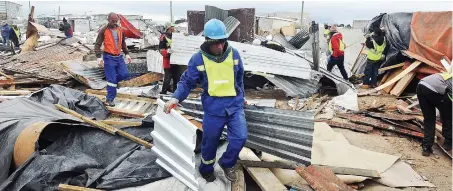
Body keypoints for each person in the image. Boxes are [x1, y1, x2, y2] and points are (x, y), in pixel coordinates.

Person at [163, 19, 247, 182]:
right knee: (209, 143)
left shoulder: (234, 54)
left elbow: (239, 78)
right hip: (213, 109)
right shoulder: (198, 59)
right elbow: (187, 81)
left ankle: (226, 162)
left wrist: (242, 96)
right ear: (207, 42)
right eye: (216, 43)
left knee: (240, 137)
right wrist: (175, 97)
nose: (220, 46)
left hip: (234, 106)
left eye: (223, 42)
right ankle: (206, 168)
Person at [94, 12, 132, 106]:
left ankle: (115, 82)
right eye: (113, 21)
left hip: (119, 57)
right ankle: (109, 99)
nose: (114, 23)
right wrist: (99, 57)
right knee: (111, 80)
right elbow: (97, 44)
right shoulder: (104, 30)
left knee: (125, 74)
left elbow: (123, 43)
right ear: (108, 20)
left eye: (116, 21)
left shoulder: (120, 30)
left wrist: (127, 54)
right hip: (108, 57)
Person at [417, 72, 452, 156]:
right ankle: (448, 142)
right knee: (448, 116)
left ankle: (426, 147)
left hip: (420, 86)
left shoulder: (447, 76)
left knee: (429, 119)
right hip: (433, 89)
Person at [159, 22, 178, 94]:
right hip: (168, 60)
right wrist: (167, 51)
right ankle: (163, 92)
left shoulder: (176, 36)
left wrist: (186, 35)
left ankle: (175, 93)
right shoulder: (163, 36)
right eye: (172, 26)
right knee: (167, 78)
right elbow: (160, 49)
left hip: (176, 61)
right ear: (169, 27)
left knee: (176, 78)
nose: (173, 28)